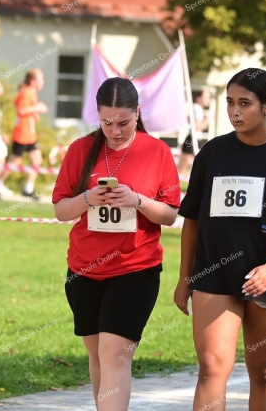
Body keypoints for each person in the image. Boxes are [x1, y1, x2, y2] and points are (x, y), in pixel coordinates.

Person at [176, 68, 266, 411]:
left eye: (245, 103)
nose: (235, 111)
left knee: (265, 371)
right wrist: (184, 278)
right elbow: (191, 220)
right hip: (214, 275)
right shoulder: (212, 153)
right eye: (230, 103)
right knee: (211, 368)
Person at [52, 77, 181, 411]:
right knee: (98, 356)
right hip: (84, 269)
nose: (115, 131)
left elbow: (169, 215)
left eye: (123, 123)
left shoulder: (157, 151)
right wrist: (88, 198)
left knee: (114, 354)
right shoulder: (80, 149)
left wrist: (138, 200)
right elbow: (61, 210)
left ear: (137, 112)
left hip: (135, 268)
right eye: (107, 123)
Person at [5, 69, 48, 200]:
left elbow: (22, 107)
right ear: (33, 81)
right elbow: (21, 110)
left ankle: (28, 189)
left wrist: (34, 114)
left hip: (30, 134)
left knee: (37, 160)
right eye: (41, 79)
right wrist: (37, 108)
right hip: (22, 133)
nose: (43, 82)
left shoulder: (32, 92)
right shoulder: (27, 92)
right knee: (15, 161)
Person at [177, 88, 212, 175]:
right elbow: (196, 127)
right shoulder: (196, 108)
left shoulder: (197, 108)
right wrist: (207, 120)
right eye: (206, 97)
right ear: (198, 98)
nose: (209, 100)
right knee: (181, 169)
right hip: (193, 139)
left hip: (196, 139)